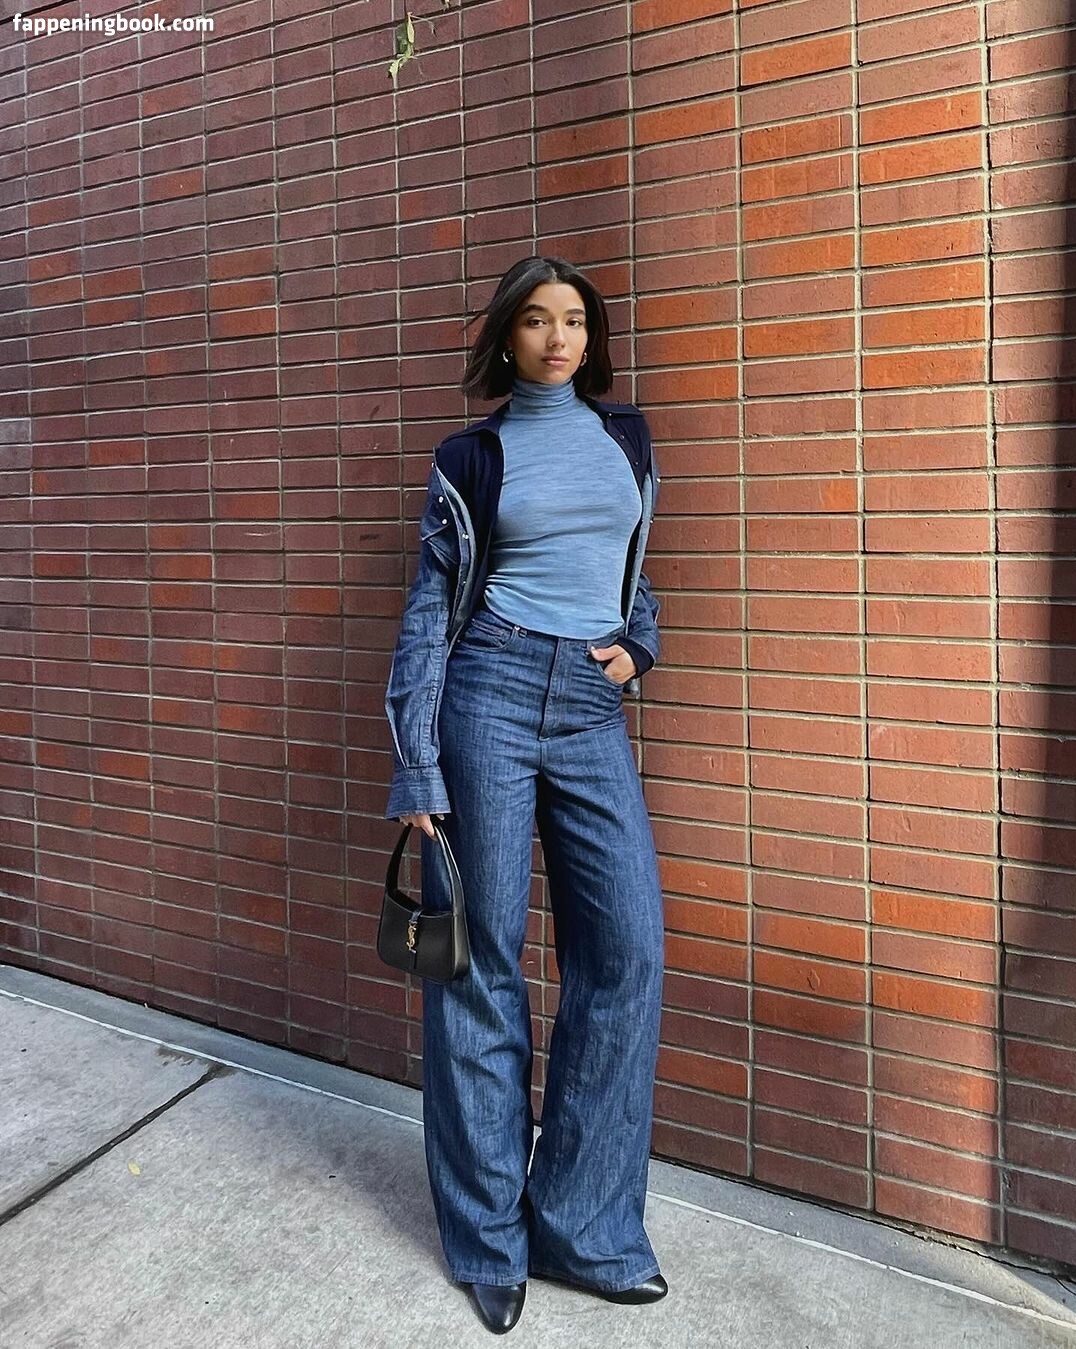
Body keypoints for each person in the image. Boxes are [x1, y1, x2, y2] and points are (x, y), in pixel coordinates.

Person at [383, 255, 666, 1335]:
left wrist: (640, 644)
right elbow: (430, 608)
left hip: (591, 707)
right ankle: (488, 1238)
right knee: (480, 962)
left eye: (575, 321)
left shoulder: (627, 440)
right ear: (507, 337)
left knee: (627, 948)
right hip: (489, 693)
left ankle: (583, 1228)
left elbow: (631, 567)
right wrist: (417, 762)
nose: (559, 338)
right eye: (538, 320)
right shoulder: (472, 455)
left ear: (593, 338)